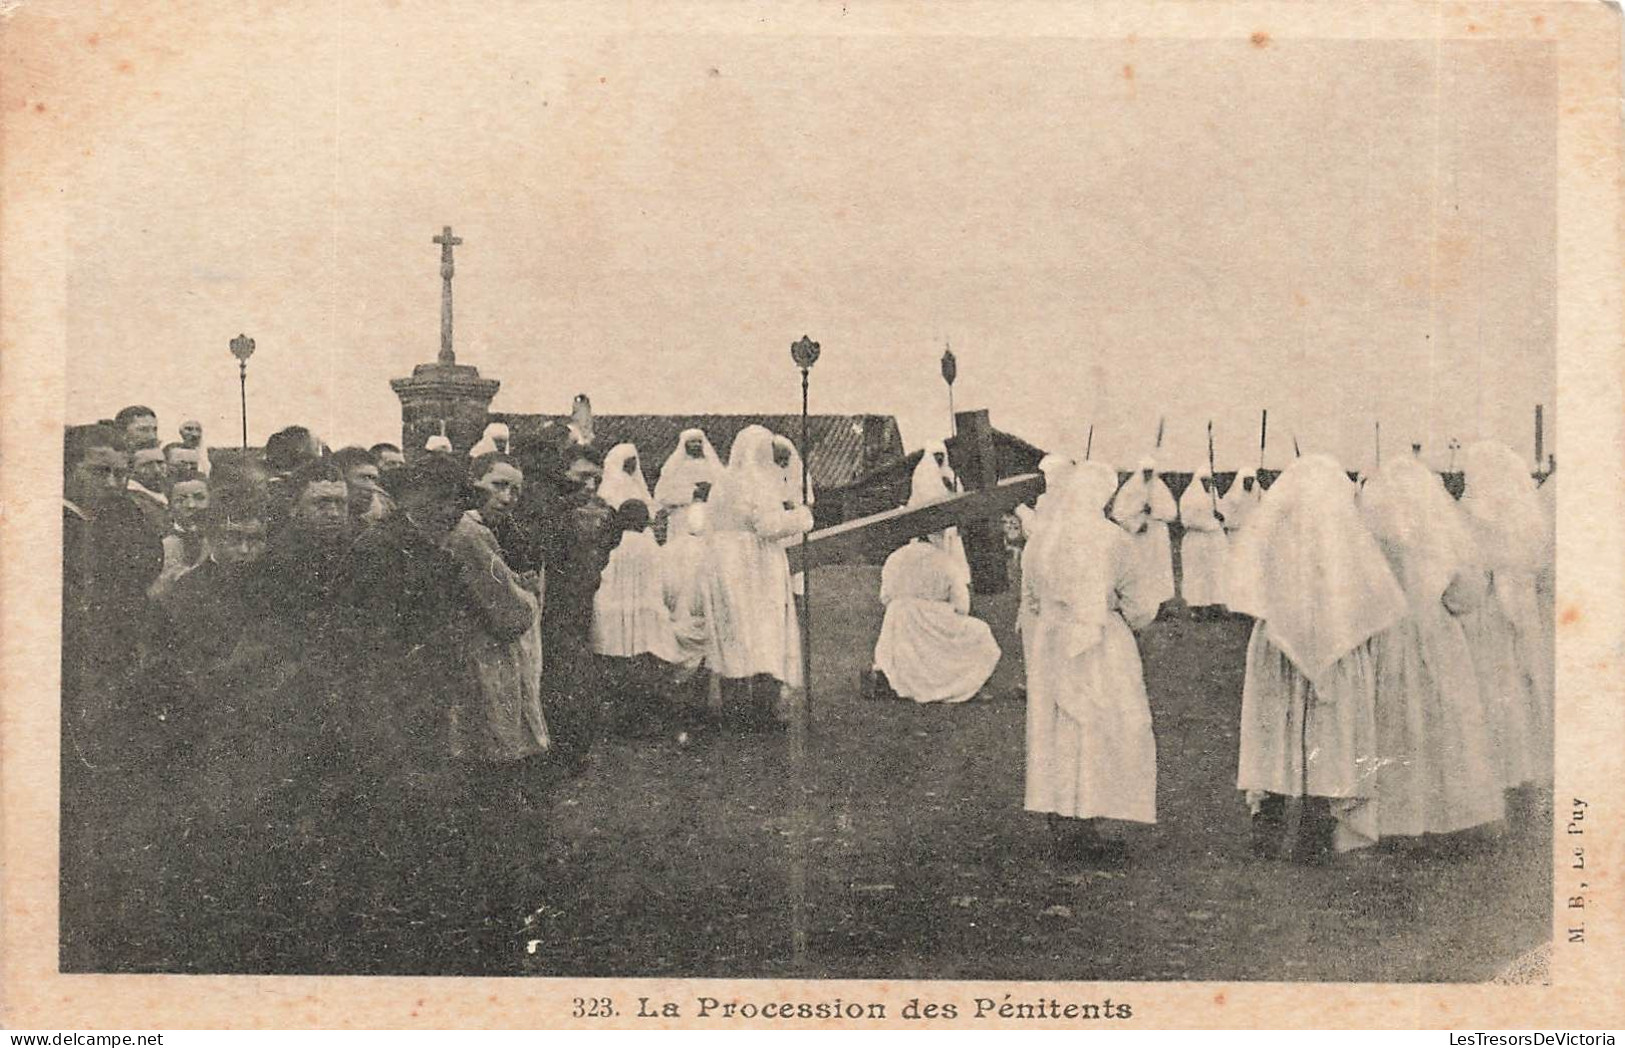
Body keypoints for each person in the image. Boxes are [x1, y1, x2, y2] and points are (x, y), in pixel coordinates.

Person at [1226, 454, 1409, 862]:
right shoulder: (1348, 534)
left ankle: (1272, 816)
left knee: (1277, 728)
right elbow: (1373, 597)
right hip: (1338, 643)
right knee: (1330, 731)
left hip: (1279, 645)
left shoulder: (1275, 532)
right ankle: (1315, 820)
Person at [60, 424, 165, 971]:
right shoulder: (55, 528)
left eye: (120, 473)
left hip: (113, 679)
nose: (113, 483)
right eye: (98, 472)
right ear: (66, 471)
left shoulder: (120, 521)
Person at [1357, 457, 1505, 842]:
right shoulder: (1440, 537)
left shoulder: (1372, 534)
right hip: (1436, 634)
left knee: (1392, 723)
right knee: (1445, 721)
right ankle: (1452, 815)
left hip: (1385, 632)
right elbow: (1463, 595)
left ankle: (1394, 819)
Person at [1022, 461, 1160, 864]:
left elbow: (1030, 599)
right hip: (1100, 643)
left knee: (1058, 726)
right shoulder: (1112, 540)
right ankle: (1083, 822)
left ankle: (1064, 818)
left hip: (1051, 642)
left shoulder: (1041, 540)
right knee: (1101, 725)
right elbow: (1141, 605)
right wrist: (1121, 616)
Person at [1456, 442, 1554, 804]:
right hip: (1518, 608)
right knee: (1517, 685)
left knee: (1485, 686)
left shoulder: (1474, 512)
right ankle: (1518, 765)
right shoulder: (1526, 516)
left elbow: (1466, 563)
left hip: (1486, 608)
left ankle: (1490, 769)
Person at [700, 424, 814, 731]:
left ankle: (734, 710)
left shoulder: (722, 482)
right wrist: (801, 518)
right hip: (755, 565)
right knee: (765, 633)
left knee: (733, 633)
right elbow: (768, 525)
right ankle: (765, 711)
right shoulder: (758, 481)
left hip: (722, 563)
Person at [873, 530, 1001, 705]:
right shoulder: (946, 561)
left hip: (900, 622)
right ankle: (963, 685)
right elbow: (962, 606)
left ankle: (902, 681)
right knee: (980, 631)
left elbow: (885, 597)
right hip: (933, 620)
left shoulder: (895, 558)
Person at [1109, 456, 1177, 613]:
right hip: (1139, 537)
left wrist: (1154, 511)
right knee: (1141, 569)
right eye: (1145, 472)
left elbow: (1171, 513)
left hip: (1157, 535)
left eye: (1150, 472)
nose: (1147, 476)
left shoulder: (1160, 488)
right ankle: (1142, 605)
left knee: (1159, 569)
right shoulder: (1130, 489)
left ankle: (1161, 606)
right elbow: (1119, 514)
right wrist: (1136, 524)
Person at [908, 447, 971, 585]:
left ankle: (957, 582)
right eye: (936, 455)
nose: (939, 459)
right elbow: (926, 497)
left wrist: (951, 489)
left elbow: (959, 494)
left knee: (953, 552)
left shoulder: (949, 473)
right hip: (929, 523)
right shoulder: (922, 472)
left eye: (941, 455)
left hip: (950, 522)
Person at [148, 473, 212, 600]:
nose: (191, 505)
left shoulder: (222, 540)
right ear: (170, 507)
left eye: (199, 498)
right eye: (180, 500)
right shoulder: (157, 543)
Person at [655, 427, 726, 537]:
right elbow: (663, 495)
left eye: (699, 442)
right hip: (682, 516)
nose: (697, 445)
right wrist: (692, 493)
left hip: (709, 513)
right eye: (692, 442)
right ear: (685, 444)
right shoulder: (674, 467)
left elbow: (724, 488)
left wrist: (710, 491)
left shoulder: (712, 466)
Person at [1178, 470, 1229, 616]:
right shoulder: (1189, 497)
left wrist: (1220, 516)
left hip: (1213, 541)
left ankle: (1216, 605)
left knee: (1215, 572)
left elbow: (1224, 513)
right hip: (1196, 540)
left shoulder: (1214, 496)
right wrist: (1210, 522)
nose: (1207, 483)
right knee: (1196, 574)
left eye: (1209, 480)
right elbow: (1188, 520)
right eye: (1204, 480)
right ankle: (1196, 608)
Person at [331, 446, 392, 525]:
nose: (372, 487)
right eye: (364, 478)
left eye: (373, 479)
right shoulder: (326, 515)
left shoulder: (385, 509)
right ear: (342, 477)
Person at [600, 443, 656, 514]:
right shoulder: (610, 487)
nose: (633, 463)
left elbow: (649, 503)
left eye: (634, 459)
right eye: (629, 460)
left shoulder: (638, 483)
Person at [1221, 469, 1263, 538]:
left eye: (1251, 480)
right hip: (1236, 532)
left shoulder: (1257, 496)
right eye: (1247, 480)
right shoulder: (1231, 497)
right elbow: (1226, 515)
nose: (1249, 482)